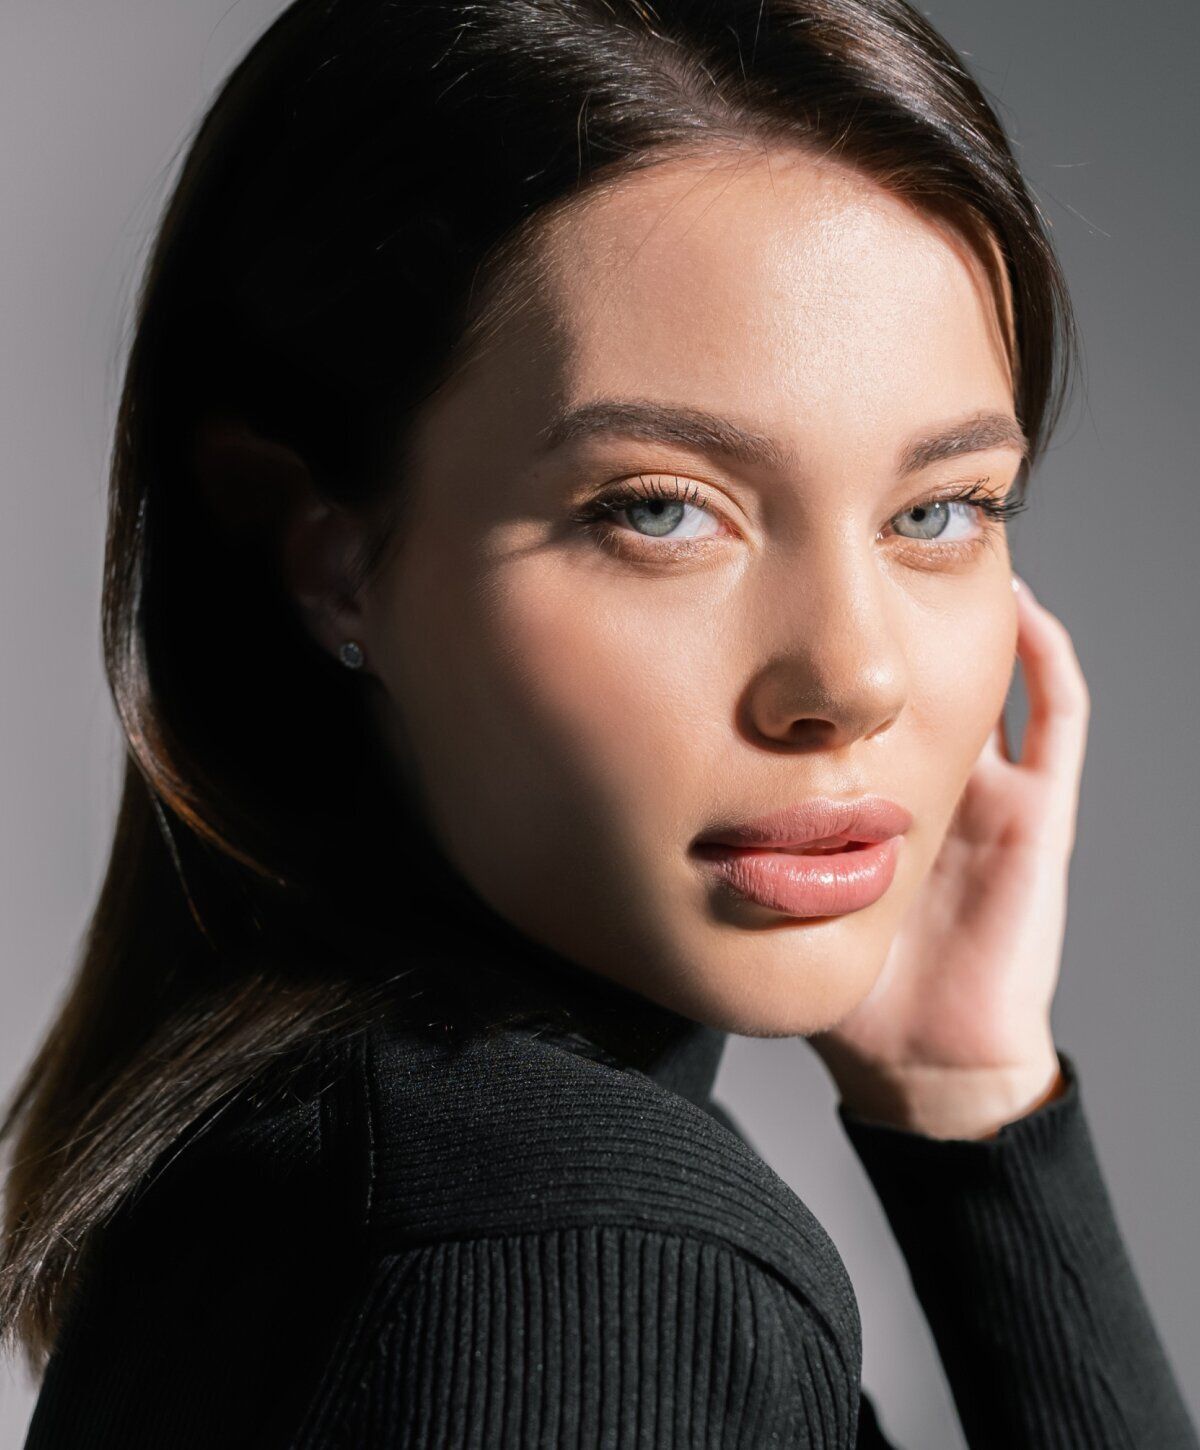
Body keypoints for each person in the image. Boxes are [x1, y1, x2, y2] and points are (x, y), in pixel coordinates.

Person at [2, 0, 1196, 1444]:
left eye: (940, 510)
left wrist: (971, 1097)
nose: (855, 678)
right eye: (661, 510)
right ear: (334, 565)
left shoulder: (320, 1158)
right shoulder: (578, 1250)